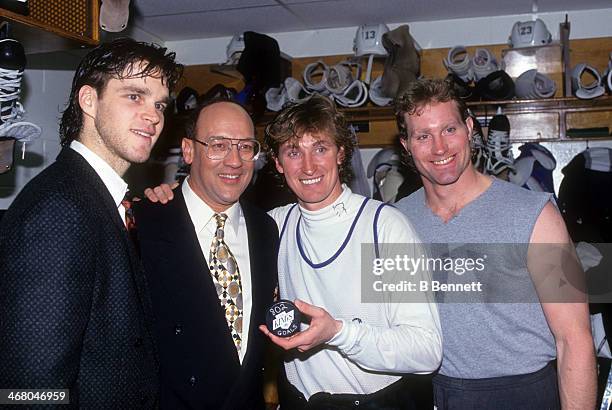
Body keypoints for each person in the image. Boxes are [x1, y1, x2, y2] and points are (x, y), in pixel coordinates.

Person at [393, 78, 596, 409]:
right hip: (431, 392)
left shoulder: (533, 214)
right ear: (406, 144)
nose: (440, 148)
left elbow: (575, 340)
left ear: (469, 127)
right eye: (423, 136)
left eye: (449, 129)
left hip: (522, 394)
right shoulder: (395, 221)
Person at [0, 38, 182, 406]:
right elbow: (31, 390)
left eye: (159, 104)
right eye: (135, 96)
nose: (154, 115)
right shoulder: (60, 208)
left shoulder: (97, 198)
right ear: (88, 101)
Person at [261, 94, 442, 409]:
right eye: (293, 152)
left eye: (320, 148)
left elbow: (426, 350)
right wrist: (163, 198)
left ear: (341, 154)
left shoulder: (383, 227)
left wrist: (338, 333)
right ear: (277, 163)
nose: (308, 166)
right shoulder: (275, 225)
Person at [134, 98, 279, 409]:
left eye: (245, 147)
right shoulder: (142, 224)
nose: (234, 161)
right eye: (218, 145)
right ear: (188, 151)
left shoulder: (267, 229)